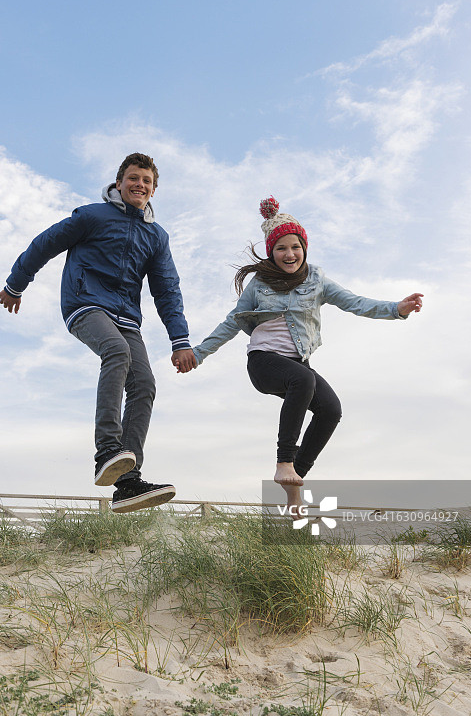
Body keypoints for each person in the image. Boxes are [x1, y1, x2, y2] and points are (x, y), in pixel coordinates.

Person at [178, 197, 423, 515]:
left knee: (330, 410)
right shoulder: (259, 284)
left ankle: (294, 481)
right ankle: (284, 461)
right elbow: (231, 322)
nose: (289, 254)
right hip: (264, 361)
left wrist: (396, 309)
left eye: (295, 247)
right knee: (303, 379)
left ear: (304, 248)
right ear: (272, 252)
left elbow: (354, 302)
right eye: (281, 248)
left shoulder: (317, 280)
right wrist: (198, 354)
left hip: (297, 365)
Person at [0, 153, 196, 513]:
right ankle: (107, 450)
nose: (139, 185)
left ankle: (127, 481)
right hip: (85, 303)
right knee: (116, 351)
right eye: (133, 178)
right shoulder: (93, 216)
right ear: (119, 183)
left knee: (144, 383)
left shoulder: (156, 236)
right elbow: (45, 243)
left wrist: (179, 340)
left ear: (153, 190)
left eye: (147, 181)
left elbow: (167, 290)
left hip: (127, 318)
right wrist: (16, 283)